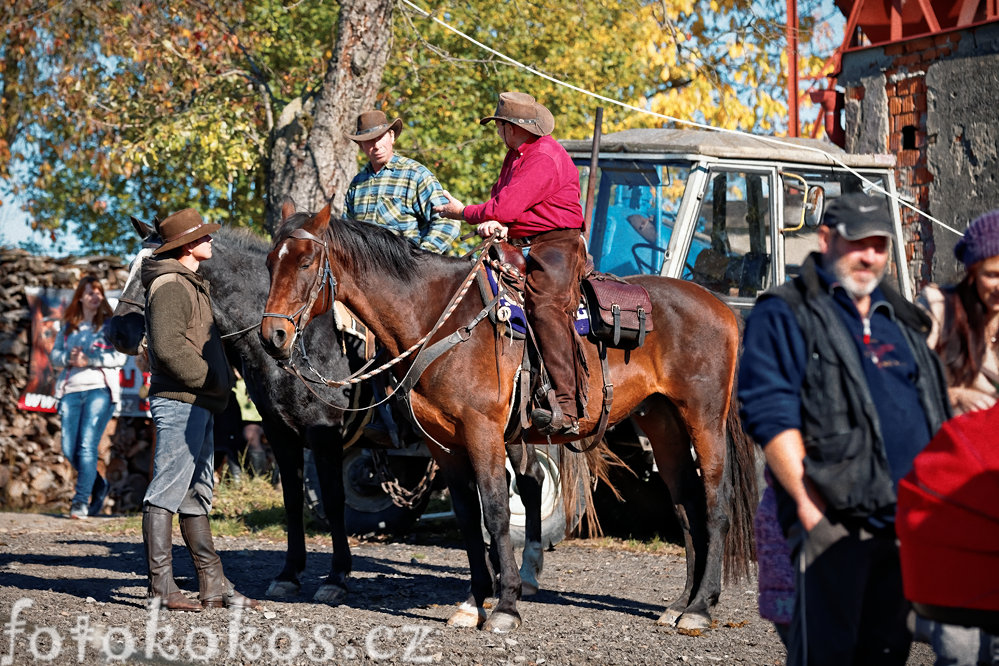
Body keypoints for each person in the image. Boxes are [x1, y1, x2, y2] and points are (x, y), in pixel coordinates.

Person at [737, 192, 951, 666]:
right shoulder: (787, 311)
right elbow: (771, 413)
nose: (870, 256)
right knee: (828, 655)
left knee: (886, 653)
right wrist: (811, 509)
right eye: (859, 243)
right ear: (828, 239)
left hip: (902, 526)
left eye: (879, 245)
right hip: (834, 521)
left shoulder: (898, 317)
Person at [434, 91, 588, 436]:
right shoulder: (516, 155)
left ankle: (567, 404)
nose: (498, 132)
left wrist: (466, 213)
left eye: (500, 125)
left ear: (511, 127)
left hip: (557, 243)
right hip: (523, 240)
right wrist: (497, 222)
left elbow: (504, 207)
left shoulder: (543, 157)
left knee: (545, 305)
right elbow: (505, 204)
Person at [139, 208, 258, 612]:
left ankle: (213, 586)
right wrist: (214, 379)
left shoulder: (190, 282)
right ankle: (161, 588)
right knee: (165, 493)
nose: (211, 241)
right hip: (180, 402)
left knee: (196, 497)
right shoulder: (172, 284)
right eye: (204, 236)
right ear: (188, 245)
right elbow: (169, 348)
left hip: (198, 403)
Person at [910, 209, 999, 665]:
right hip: (949, 496)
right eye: (993, 274)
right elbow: (902, 386)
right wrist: (956, 394)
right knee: (961, 648)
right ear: (971, 270)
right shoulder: (940, 311)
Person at [51, 276, 126, 519]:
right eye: (90, 293)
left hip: (99, 391)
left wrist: (89, 360)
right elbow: (55, 357)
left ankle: (80, 502)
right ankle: (98, 485)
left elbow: (120, 358)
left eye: (98, 293)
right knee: (68, 448)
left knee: (86, 446)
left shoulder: (110, 325)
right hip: (71, 391)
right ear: (80, 297)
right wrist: (68, 359)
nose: (95, 297)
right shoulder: (69, 326)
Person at [344, 109, 459, 254]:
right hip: (364, 271)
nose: (377, 145)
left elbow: (448, 221)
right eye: (369, 140)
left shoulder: (415, 174)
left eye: (380, 137)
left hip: (405, 270)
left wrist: (422, 258)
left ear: (391, 136)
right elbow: (348, 232)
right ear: (361, 146)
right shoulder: (357, 184)